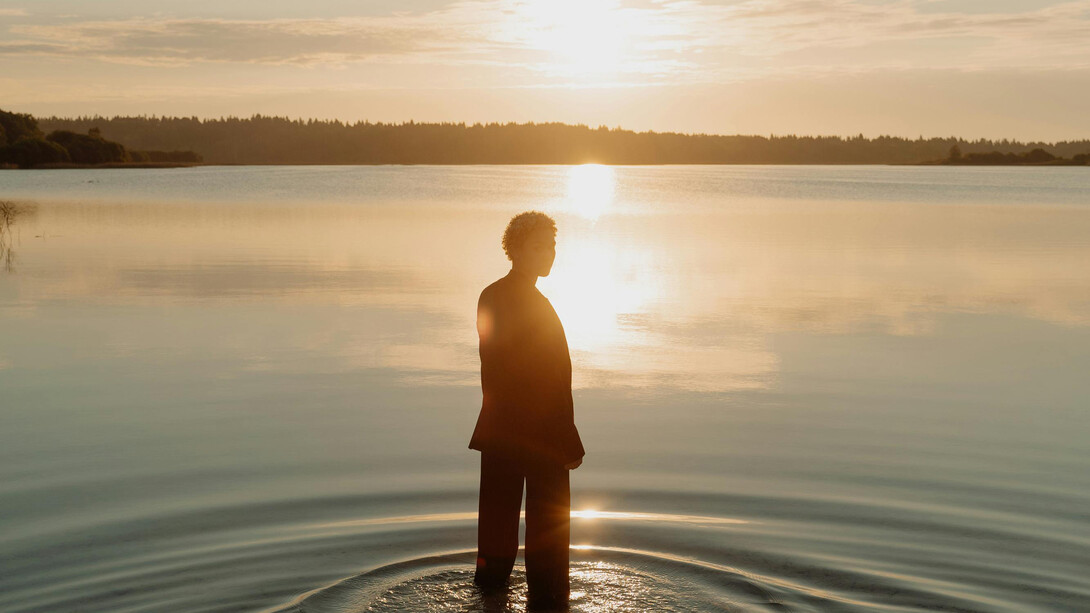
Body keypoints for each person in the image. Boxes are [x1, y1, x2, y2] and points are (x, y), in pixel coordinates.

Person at [469, 210, 585, 610]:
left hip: (499, 430)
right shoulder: (534, 305)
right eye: (539, 246)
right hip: (540, 436)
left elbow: (495, 369)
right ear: (515, 249)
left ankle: (489, 598)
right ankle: (549, 603)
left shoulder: (491, 295)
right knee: (549, 546)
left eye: (552, 246)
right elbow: (548, 380)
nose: (549, 254)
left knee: (496, 540)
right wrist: (567, 441)